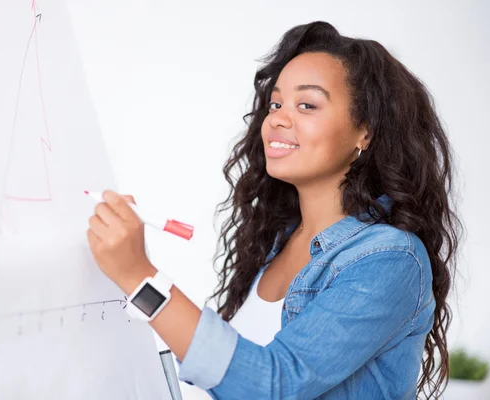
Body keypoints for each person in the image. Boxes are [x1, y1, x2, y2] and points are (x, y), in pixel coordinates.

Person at [85, 21, 461, 399]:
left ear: (365, 131)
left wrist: (139, 277)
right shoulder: (277, 243)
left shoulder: (389, 258)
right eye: (276, 103)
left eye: (307, 105)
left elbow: (272, 385)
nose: (279, 118)